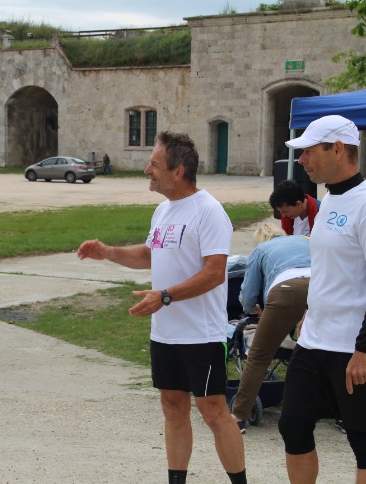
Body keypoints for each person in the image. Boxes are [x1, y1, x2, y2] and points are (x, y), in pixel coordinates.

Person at [77, 131, 246, 484]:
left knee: (213, 412)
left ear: (178, 171)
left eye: (154, 164)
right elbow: (150, 255)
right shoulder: (163, 210)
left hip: (201, 334)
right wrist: (108, 252)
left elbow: (215, 273)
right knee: (172, 407)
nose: (147, 170)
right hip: (166, 333)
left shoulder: (209, 212)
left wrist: (165, 296)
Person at [277, 115, 366, 483]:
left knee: (363, 440)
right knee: (292, 425)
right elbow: (329, 267)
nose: (302, 160)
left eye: (309, 151)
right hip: (315, 340)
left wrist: (364, 349)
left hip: (354, 347)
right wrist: (310, 310)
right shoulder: (328, 200)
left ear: (338, 149)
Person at [230, 224, 310, 433]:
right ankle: (341, 415)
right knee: (324, 351)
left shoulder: (260, 250)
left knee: (259, 356)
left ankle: (238, 415)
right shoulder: (305, 240)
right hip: (322, 288)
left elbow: (248, 293)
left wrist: (252, 311)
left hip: (286, 290)